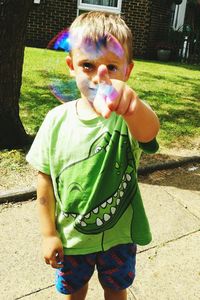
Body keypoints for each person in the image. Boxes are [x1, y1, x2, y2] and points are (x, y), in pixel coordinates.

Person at [26, 11, 160, 300]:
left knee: (116, 289)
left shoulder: (128, 115)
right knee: (73, 292)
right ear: (71, 66)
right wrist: (49, 234)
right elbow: (44, 183)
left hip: (119, 238)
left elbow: (149, 133)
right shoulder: (55, 120)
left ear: (128, 71)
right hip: (72, 238)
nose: (100, 76)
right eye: (88, 65)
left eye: (111, 66)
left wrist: (132, 105)